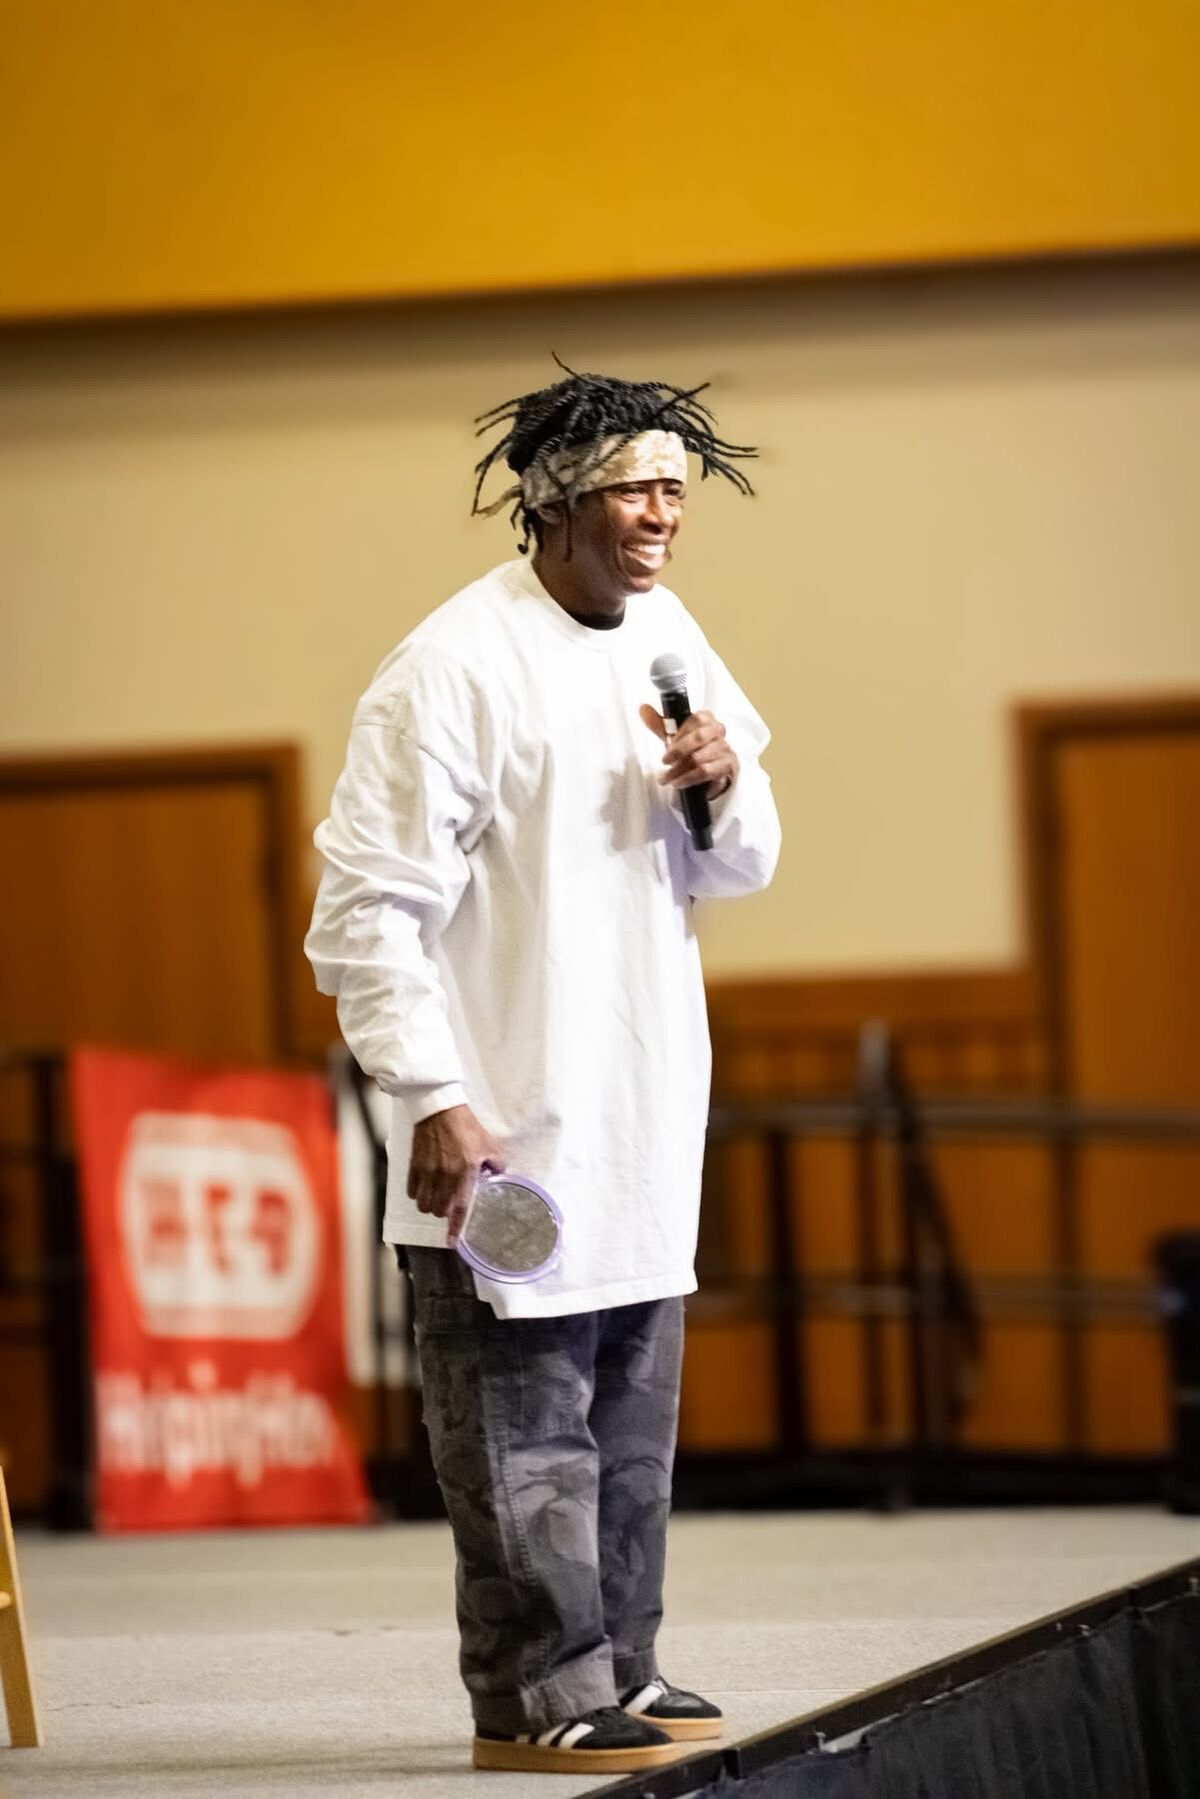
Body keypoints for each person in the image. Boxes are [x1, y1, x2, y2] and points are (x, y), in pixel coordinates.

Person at [305, 363, 781, 1775]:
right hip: (505, 1116)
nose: (662, 519)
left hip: (638, 1104)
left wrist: (720, 784)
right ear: (554, 501)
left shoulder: (666, 634)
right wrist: (431, 1099)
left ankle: (621, 1658)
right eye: (637, 491)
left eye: (676, 493)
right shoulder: (451, 669)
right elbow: (362, 916)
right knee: (520, 1431)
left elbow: (747, 857)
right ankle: (534, 1690)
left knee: (628, 1425)